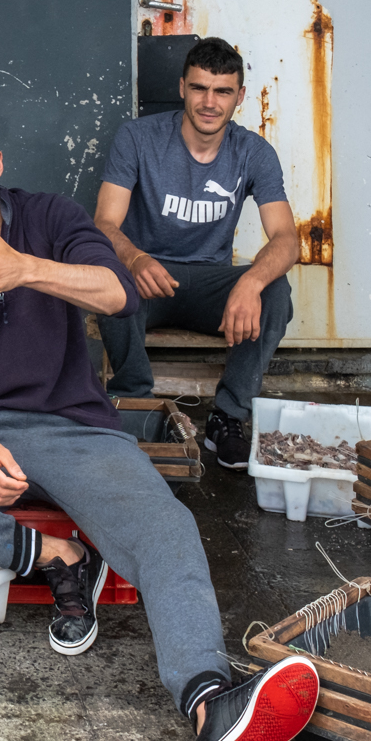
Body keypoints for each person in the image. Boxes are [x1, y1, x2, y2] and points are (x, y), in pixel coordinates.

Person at [0, 94, 319, 741]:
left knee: (167, 527)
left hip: (75, 431)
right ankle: (56, 556)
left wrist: (25, 268)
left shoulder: (49, 219)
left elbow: (117, 294)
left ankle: (209, 704)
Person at [94, 37, 297, 469]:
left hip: (209, 284)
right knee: (111, 278)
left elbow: (286, 238)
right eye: (200, 88)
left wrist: (251, 282)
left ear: (239, 96)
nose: (210, 102)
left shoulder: (253, 152)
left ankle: (228, 416)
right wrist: (134, 259)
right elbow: (104, 224)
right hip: (149, 280)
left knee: (276, 289)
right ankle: (138, 404)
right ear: (182, 87)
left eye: (222, 91)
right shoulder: (138, 137)